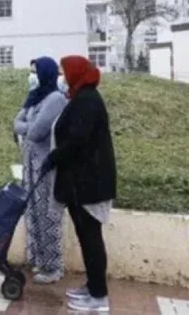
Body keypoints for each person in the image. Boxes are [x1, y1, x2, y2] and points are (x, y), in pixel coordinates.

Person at [41, 55, 116, 312]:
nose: (63, 77)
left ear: (75, 73)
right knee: (87, 238)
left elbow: (76, 140)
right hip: (82, 183)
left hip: (89, 184)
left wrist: (53, 157)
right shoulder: (82, 98)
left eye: (65, 72)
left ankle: (99, 297)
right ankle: (93, 287)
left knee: (91, 238)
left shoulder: (87, 101)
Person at [13, 56, 68, 284]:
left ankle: (53, 267)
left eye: (35, 71)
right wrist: (26, 126)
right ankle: (39, 261)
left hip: (46, 168)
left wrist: (25, 127)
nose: (32, 76)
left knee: (48, 215)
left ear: (46, 73)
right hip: (30, 166)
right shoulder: (35, 97)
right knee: (33, 214)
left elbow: (36, 132)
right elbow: (16, 122)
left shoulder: (55, 99)